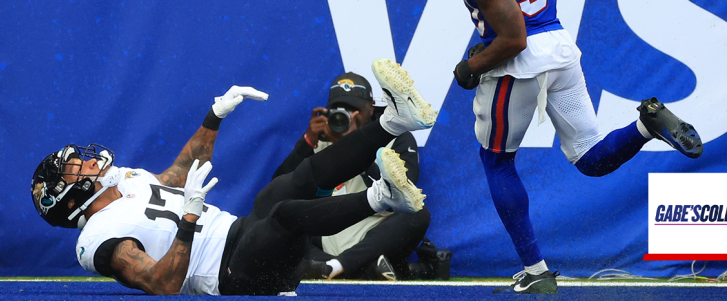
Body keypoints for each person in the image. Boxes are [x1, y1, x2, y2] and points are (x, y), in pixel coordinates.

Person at [412, 0, 704, 294]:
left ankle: (535, 272)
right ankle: (647, 125)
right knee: (590, 159)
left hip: (521, 60)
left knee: (497, 162)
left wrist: (472, 67)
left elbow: (511, 38)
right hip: (559, 42)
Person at [30, 58, 437, 296]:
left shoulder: (128, 181)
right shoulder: (95, 238)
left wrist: (215, 116)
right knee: (288, 214)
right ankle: (383, 199)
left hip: (240, 234)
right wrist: (188, 219)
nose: (84, 161)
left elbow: (182, 167)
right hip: (233, 274)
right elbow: (162, 283)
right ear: (70, 197)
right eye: (73, 167)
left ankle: (393, 121)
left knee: (291, 183)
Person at [272, 72, 432, 281]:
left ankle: (334, 267)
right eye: (341, 108)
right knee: (280, 221)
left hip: (374, 229)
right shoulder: (321, 138)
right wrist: (307, 143)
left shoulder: (397, 137)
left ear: (371, 107)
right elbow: (278, 192)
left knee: (417, 211)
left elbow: (405, 191)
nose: (347, 115)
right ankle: (361, 269)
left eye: (353, 109)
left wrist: (355, 146)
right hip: (326, 229)